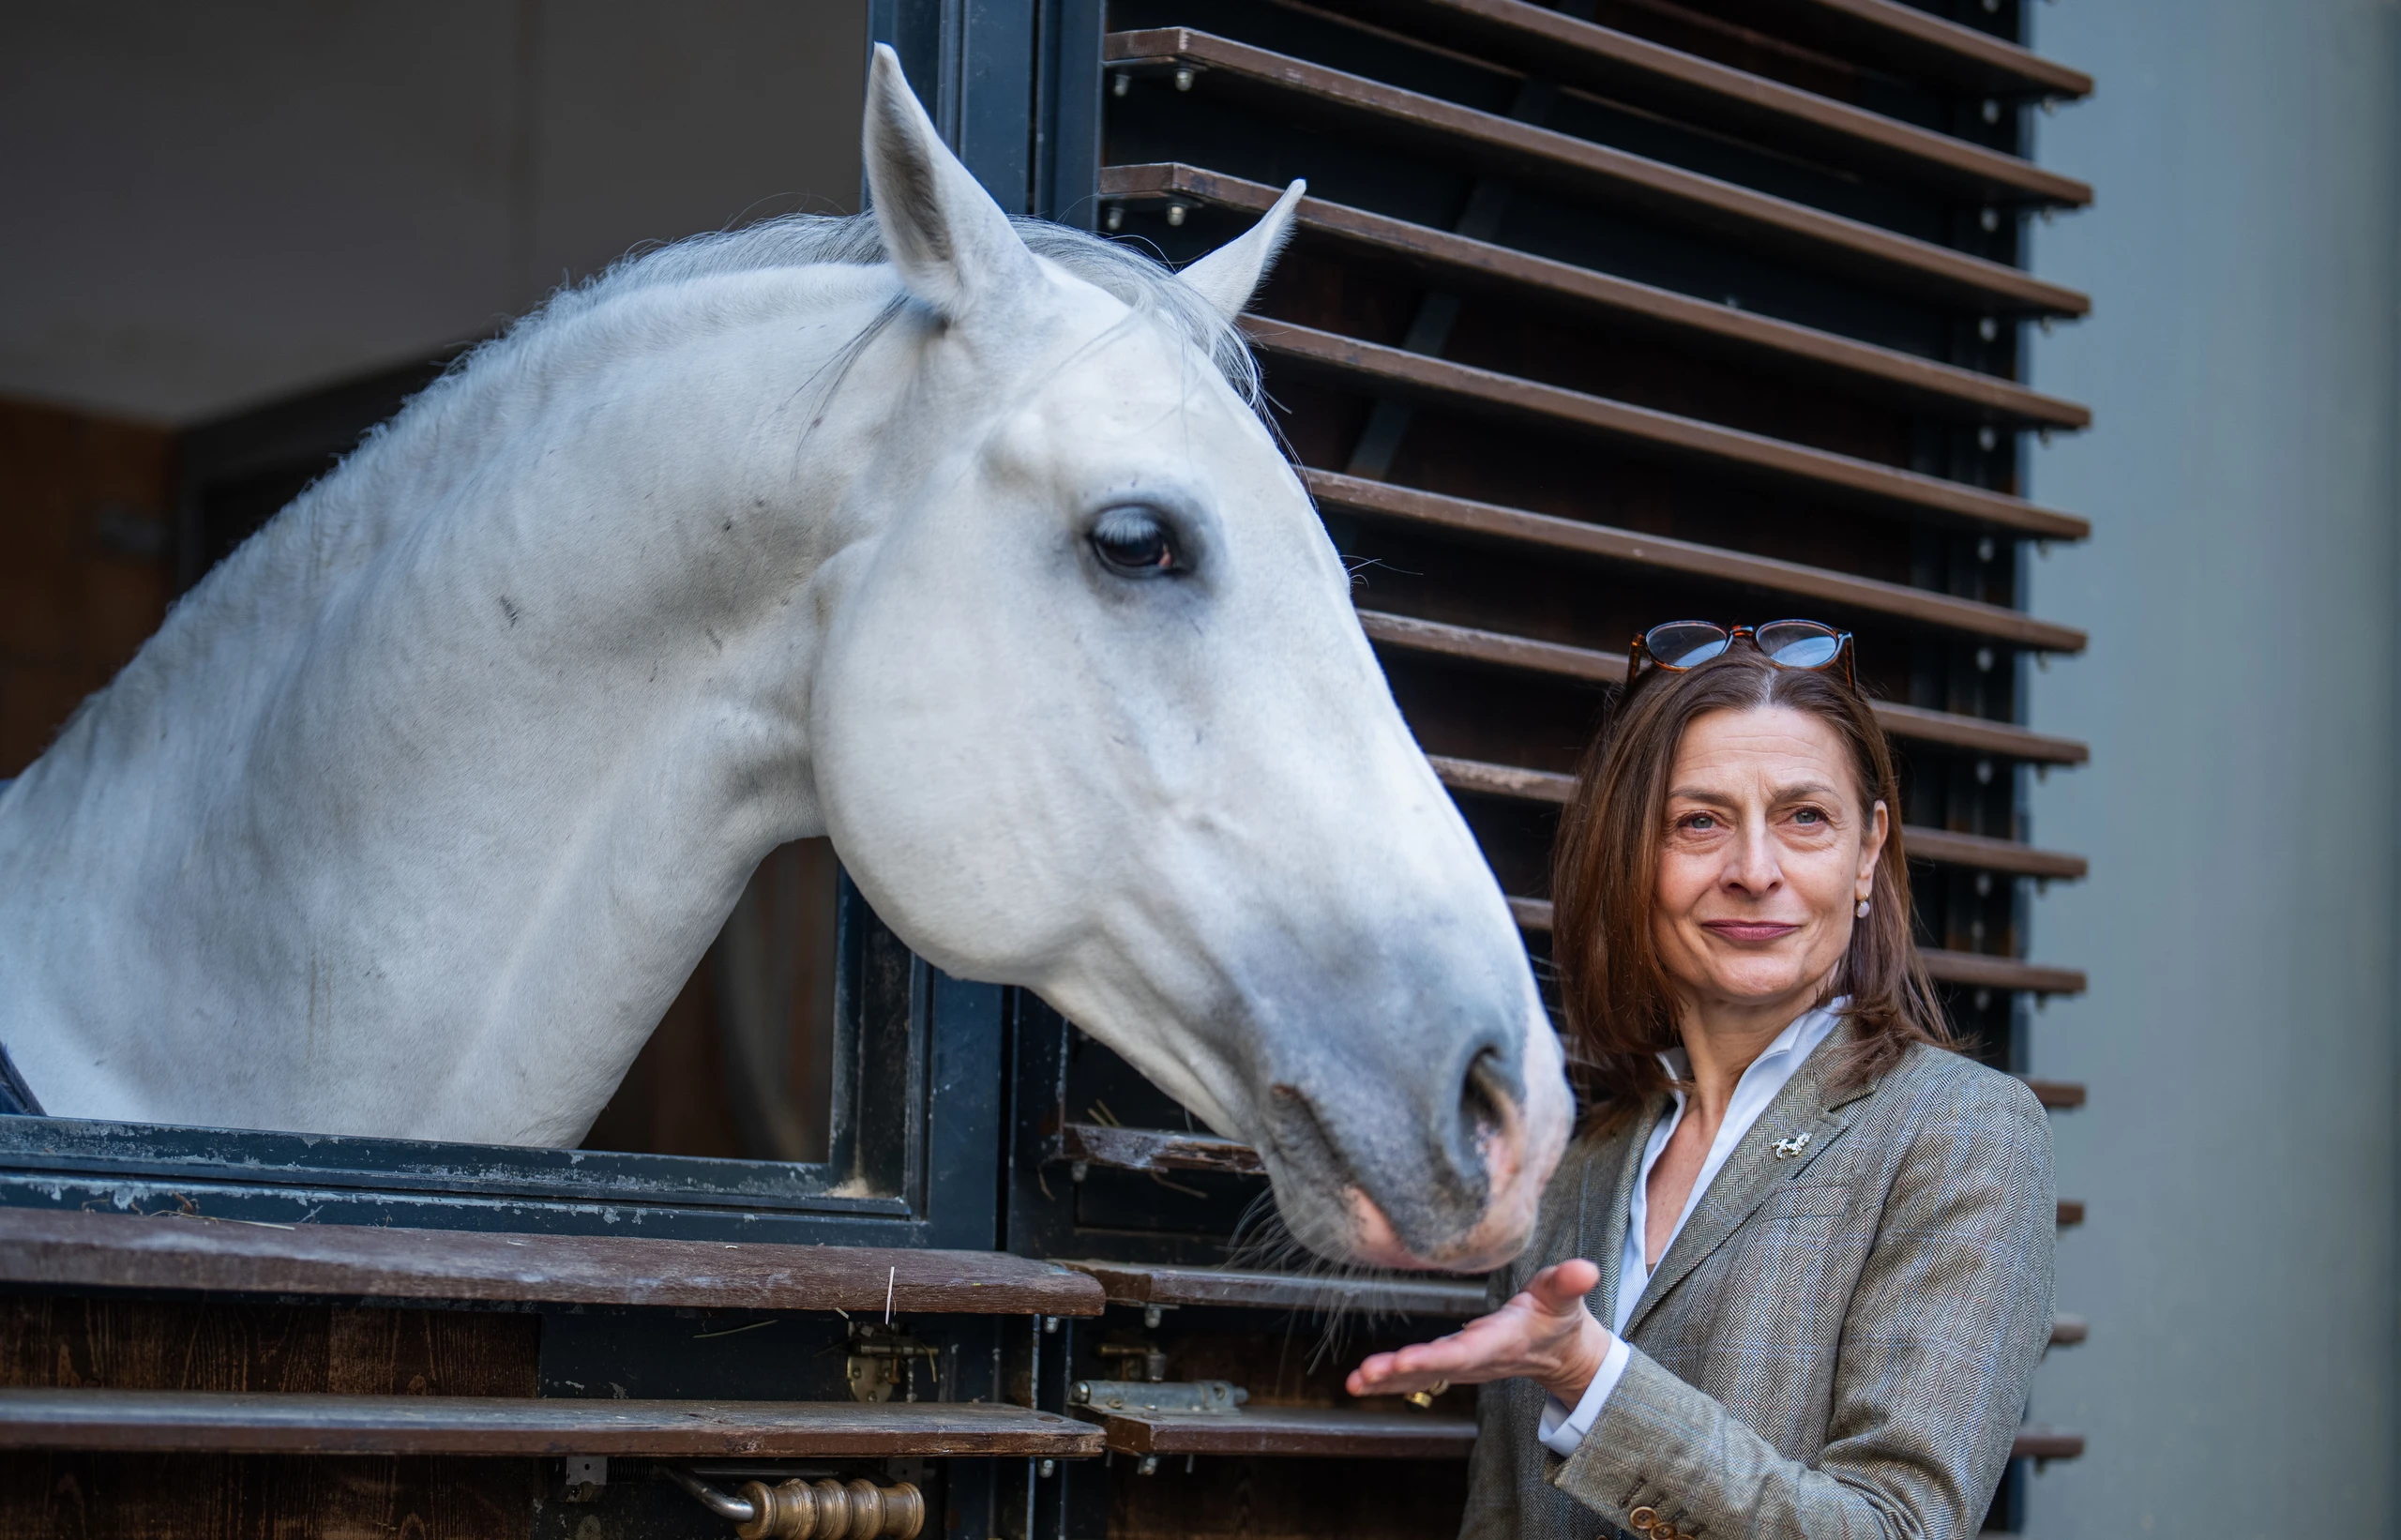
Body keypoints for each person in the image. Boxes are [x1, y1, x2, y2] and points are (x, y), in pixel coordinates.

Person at [1350, 620, 2055, 1540]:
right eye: (1699, 821)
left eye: (1805, 817)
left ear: (1866, 852)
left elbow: (1897, 1528)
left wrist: (1592, 1380)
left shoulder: (1960, 1133)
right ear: (1633, 856)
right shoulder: (1573, 1165)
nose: (1753, 870)